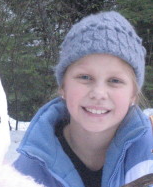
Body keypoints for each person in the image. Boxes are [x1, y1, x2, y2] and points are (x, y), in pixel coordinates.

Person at [13, 11, 152, 187]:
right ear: (63, 86)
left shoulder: (148, 161)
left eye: (115, 81)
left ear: (133, 94)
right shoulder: (26, 172)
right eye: (85, 77)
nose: (99, 93)